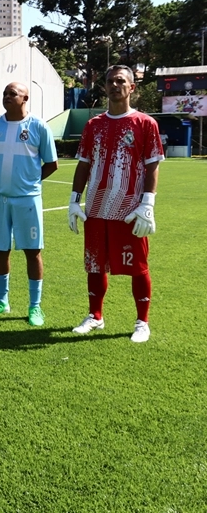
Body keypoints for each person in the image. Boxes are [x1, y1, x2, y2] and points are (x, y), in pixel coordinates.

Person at [68, 65, 164, 343]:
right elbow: (83, 164)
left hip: (129, 209)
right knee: (94, 264)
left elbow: (152, 165)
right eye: (110, 81)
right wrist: (74, 201)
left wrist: (148, 203)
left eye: (120, 81)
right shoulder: (93, 124)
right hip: (96, 208)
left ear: (132, 87)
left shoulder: (145, 123)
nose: (114, 85)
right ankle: (95, 316)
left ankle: (142, 322)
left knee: (138, 266)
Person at [0, 83, 58, 326]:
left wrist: (28, 183)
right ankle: (2, 301)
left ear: (25, 98)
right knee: (0, 249)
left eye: (13, 94)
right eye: (4, 93)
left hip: (27, 199)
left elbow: (51, 163)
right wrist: (5, 182)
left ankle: (35, 307)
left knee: (33, 251)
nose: (7, 97)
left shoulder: (38, 126)